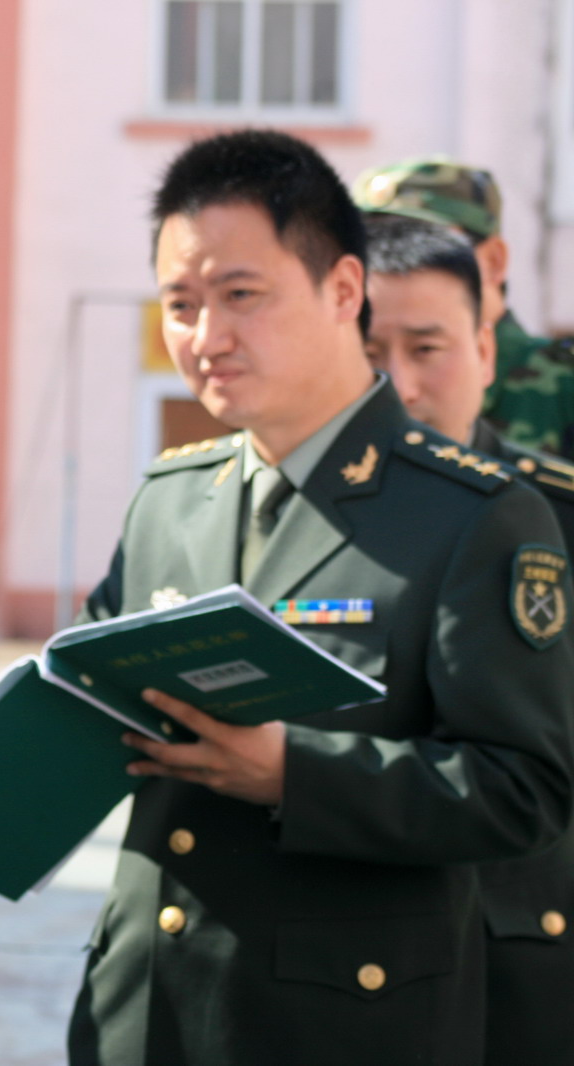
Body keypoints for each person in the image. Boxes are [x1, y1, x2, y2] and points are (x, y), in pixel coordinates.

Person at [67, 129, 574, 1066]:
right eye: (180, 305)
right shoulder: (170, 497)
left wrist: (295, 774)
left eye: (241, 296)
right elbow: (88, 699)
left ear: (343, 290)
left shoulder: (475, 515)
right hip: (148, 1012)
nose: (205, 338)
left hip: (343, 1024)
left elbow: (525, 792)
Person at [362, 211, 574, 1065]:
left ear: (486, 349)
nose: (401, 387)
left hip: (526, 950)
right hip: (343, 953)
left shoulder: (555, 513)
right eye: (370, 352)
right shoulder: (295, 513)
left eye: (428, 348)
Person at [353, 157, 574, 458]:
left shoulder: (563, 383)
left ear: (494, 260)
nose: (396, 259)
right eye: (372, 244)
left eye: (429, 244)